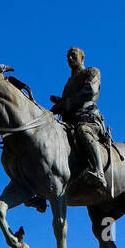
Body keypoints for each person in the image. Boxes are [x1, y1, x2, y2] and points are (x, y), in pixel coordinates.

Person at [49, 47, 111, 195]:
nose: (70, 59)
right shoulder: (68, 83)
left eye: (73, 55)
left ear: (82, 58)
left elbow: (89, 91)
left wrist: (65, 103)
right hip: (69, 121)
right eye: (68, 56)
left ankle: (99, 172)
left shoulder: (92, 72)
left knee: (83, 130)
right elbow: (64, 103)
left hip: (88, 118)